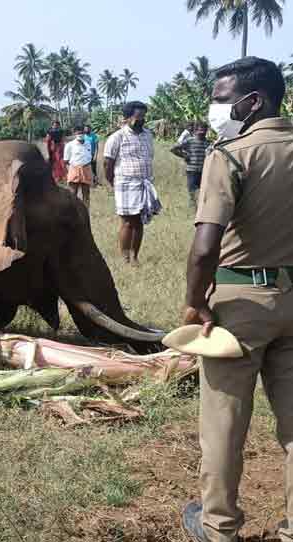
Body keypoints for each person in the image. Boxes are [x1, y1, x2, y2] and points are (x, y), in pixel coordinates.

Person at [181, 57, 293, 542]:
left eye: (223, 100)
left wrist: (195, 302)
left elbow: (205, 246)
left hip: (241, 303)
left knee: (224, 422)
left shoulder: (231, 154)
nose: (215, 109)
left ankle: (219, 525)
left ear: (254, 101)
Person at [104, 101, 161, 265]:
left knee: (140, 221)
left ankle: (135, 256)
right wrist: (112, 182)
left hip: (144, 183)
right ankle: (125, 257)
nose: (142, 120)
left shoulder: (148, 135)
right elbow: (108, 163)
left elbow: (149, 157)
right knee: (128, 221)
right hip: (125, 183)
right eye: (138, 117)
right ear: (127, 118)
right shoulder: (117, 137)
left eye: (144, 117)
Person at [171, 123, 210, 209]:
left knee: (202, 191)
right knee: (192, 191)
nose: (202, 132)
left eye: (204, 130)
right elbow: (173, 149)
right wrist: (184, 156)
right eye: (200, 129)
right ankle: (193, 207)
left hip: (204, 171)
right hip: (192, 170)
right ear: (195, 131)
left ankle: (200, 208)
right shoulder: (190, 141)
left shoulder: (208, 143)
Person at [63, 126, 94, 208]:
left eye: (82, 133)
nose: (80, 134)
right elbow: (66, 161)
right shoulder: (69, 145)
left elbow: (89, 156)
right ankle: (73, 212)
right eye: (78, 133)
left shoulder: (88, 143)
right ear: (74, 134)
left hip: (86, 169)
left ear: (84, 133)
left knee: (86, 193)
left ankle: (86, 211)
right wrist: (69, 172)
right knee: (73, 193)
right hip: (74, 169)